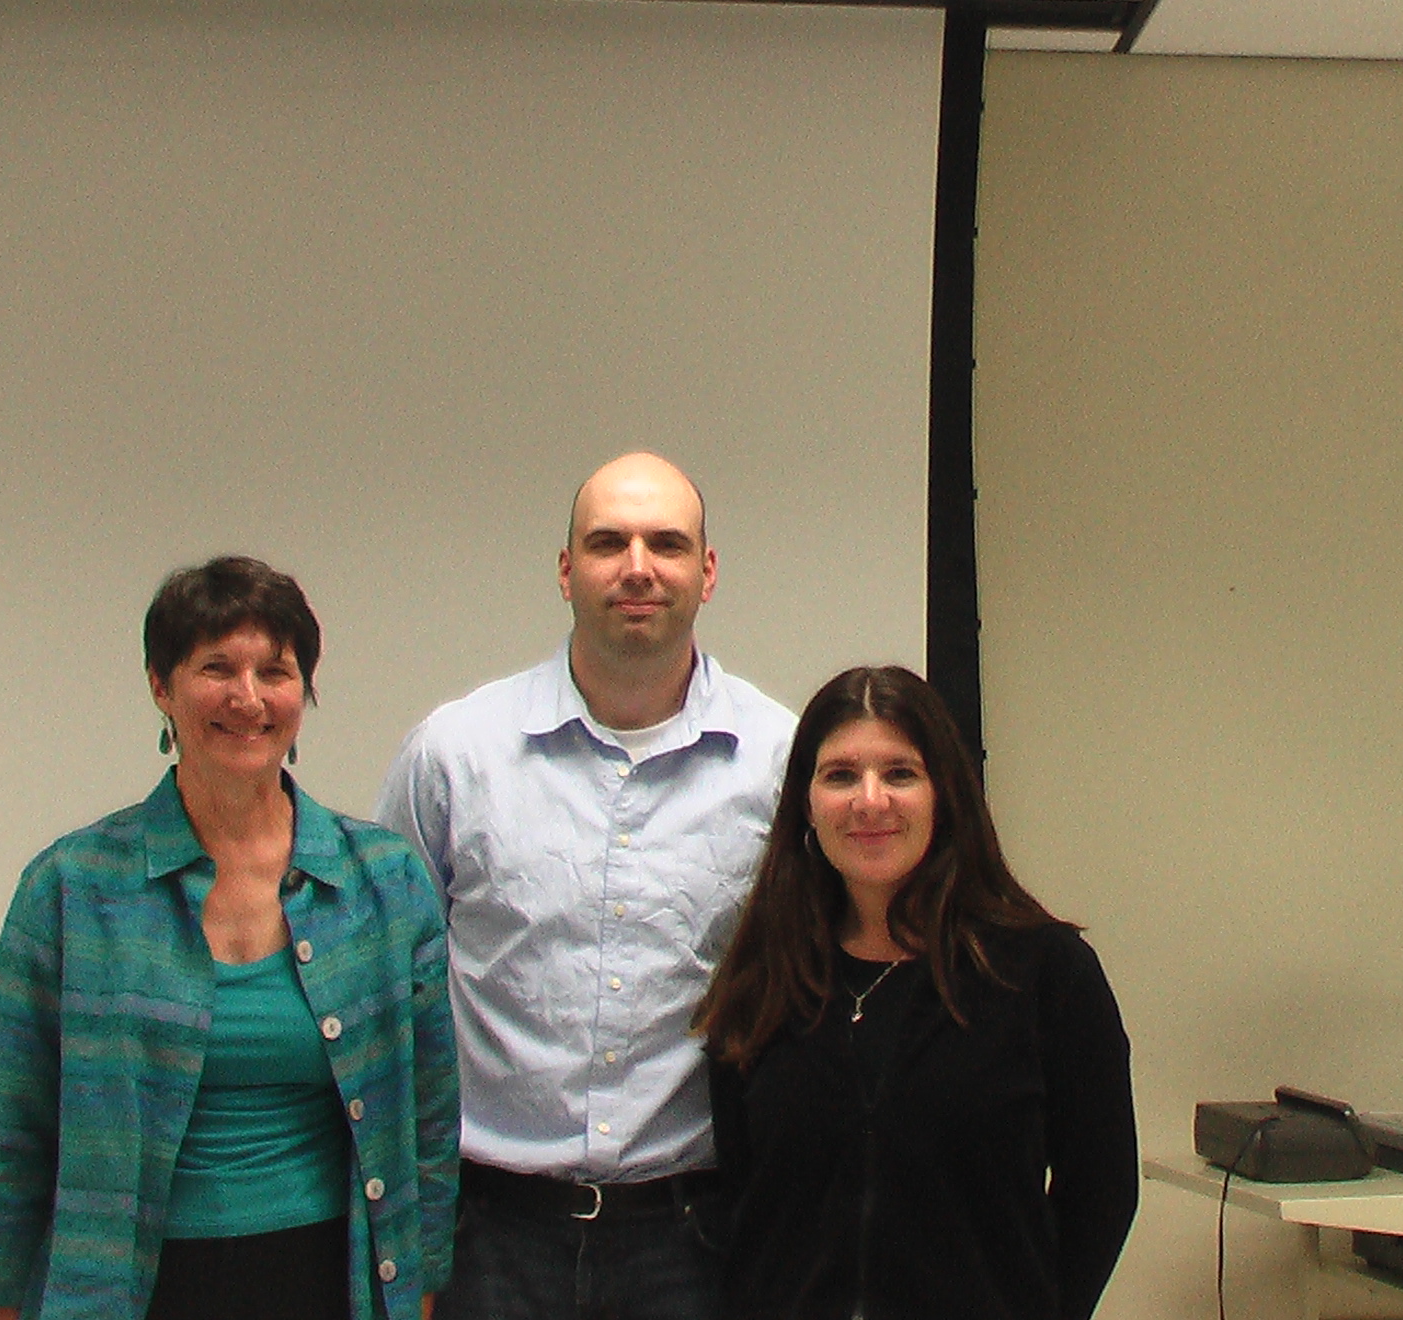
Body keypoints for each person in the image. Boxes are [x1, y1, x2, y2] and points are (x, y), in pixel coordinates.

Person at [0, 556, 459, 1320]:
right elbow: (3, 1124)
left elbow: (431, 1115)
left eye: (275, 671)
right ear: (162, 686)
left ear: (303, 694)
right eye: (217, 667)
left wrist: (421, 1286)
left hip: (331, 1277)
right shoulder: (73, 886)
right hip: (124, 1287)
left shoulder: (383, 882)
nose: (247, 698)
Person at [375, 452, 795, 1320]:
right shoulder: (456, 756)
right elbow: (387, 985)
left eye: (667, 544)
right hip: (486, 1237)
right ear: (566, 570)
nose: (638, 567)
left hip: (693, 1239)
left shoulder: (783, 762)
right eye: (608, 542)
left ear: (706, 572)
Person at [695, 665, 1138, 1320]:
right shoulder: (764, 977)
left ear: (944, 795)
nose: (869, 802)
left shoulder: (1045, 974)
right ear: (805, 805)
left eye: (899, 773)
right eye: (840, 775)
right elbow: (738, 1193)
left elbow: (1101, 1193)